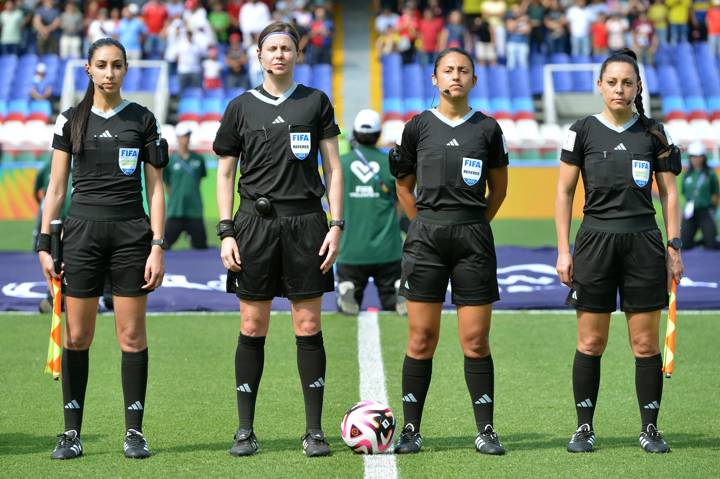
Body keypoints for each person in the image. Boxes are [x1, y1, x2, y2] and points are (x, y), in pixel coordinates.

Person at [212, 21, 343, 458]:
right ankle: (245, 430)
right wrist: (226, 230)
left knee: (308, 325)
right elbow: (226, 173)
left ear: (298, 54)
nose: (280, 54)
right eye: (272, 48)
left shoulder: (315, 102)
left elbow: (333, 169)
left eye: (287, 47)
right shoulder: (240, 106)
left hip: (307, 223)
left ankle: (314, 432)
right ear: (260, 55)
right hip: (254, 225)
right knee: (252, 325)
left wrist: (336, 224)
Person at [36, 38, 167, 460]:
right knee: (77, 336)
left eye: (117, 65)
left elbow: (157, 188)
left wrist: (158, 245)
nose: (109, 72)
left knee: (131, 336)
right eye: (102, 65)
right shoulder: (70, 120)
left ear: (126, 70)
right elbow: (56, 188)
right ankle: (71, 434)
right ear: (88, 70)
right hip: (82, 236)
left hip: (131, 235)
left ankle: (135, 433)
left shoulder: (143, 119)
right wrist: (44, 243)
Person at [556, 48, 684, 454]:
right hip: (594, 243)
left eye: (627, 82)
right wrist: (564, 250)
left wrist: (673, 245)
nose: (619, 89)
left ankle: (650, 428)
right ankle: (584, 428)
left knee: (645, 345)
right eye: (612, 82)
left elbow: (669, 193)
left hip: (643, 243)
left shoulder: (654, 133)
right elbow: (563, 192)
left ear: (637, 87)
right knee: (591, 343)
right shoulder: (581, 131)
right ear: (599, 86)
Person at [390, 47, 509, 455]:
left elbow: (500, 190)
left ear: (474, 79)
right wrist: (424, 223)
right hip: (426, 241)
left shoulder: (488, 129)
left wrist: (472, 223)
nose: (455, 76)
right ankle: (411, 429)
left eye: (463, 71)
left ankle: (486, 429)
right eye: (448, 70)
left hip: (473, 241)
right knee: (421, 337)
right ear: (435, 78)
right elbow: (403, 185)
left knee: (475, 340)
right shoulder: (417, 127)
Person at [335, 109, 405, 316]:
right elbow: (405, 201)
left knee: (348, 296)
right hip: (388, 249)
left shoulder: (340, 164)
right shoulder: (390, 163)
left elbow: (329, 200)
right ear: (379, 134)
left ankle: (347, 287)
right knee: (391, 294)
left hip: (350, 249)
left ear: (354, 134)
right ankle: (397, 290)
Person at [163, 122, 208, 250]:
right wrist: (176, 198)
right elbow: (167, 184)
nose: (186, 139)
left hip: (194, 211)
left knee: (201, 247)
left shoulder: (199, 159)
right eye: (183, 136)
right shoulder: (170, 160)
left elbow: (198, 181)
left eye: (188, 135)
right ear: (177, 137)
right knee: (163, 246)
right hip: (176, 210)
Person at [681, 141, 719, 249]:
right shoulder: (687, 174)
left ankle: (707, 239)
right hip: (690, 212)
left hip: (705, 211)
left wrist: (713, 212)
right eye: (692, 156)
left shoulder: (710, 174)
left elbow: (715, 194)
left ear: (703, 158)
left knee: (712, 245)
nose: (695, 159)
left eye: (698, 156)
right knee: (684, 245)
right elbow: (684, 194)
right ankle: (701, 241)